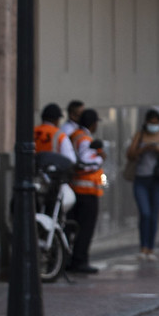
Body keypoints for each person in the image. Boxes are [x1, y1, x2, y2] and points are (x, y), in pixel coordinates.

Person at [126, 110, 159, 259]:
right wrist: (143, 149)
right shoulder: (139, 135)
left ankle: (151, 248)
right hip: (141, 179)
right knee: (145, 213)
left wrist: (158, 149)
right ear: (146, 122)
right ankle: (143, 247)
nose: (153, 125)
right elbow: (130, 154)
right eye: (151, 122)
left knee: (154, 215)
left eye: (156, 123)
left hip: (157, 180)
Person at [65, 109, 104, 273]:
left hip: (75, 188)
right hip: (87, 191)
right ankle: (79, 261)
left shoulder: (74, 135)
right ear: (93, 124)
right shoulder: (85, 139)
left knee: (72, 227)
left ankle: (68, 259)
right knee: (85, 228)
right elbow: (87, 162)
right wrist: (100, 157)